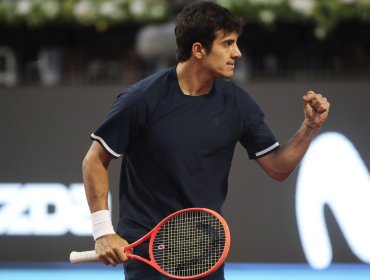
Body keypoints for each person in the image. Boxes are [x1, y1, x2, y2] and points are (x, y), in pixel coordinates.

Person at [81, 1, 330, 279]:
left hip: (204, 251)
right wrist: (103, 232)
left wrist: (309, 127)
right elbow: (95, 160)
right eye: (227, 43)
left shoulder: (237, 104)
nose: (237, 53)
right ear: (198, 50)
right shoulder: (142, 99)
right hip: (149, 250)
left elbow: (278, 167)